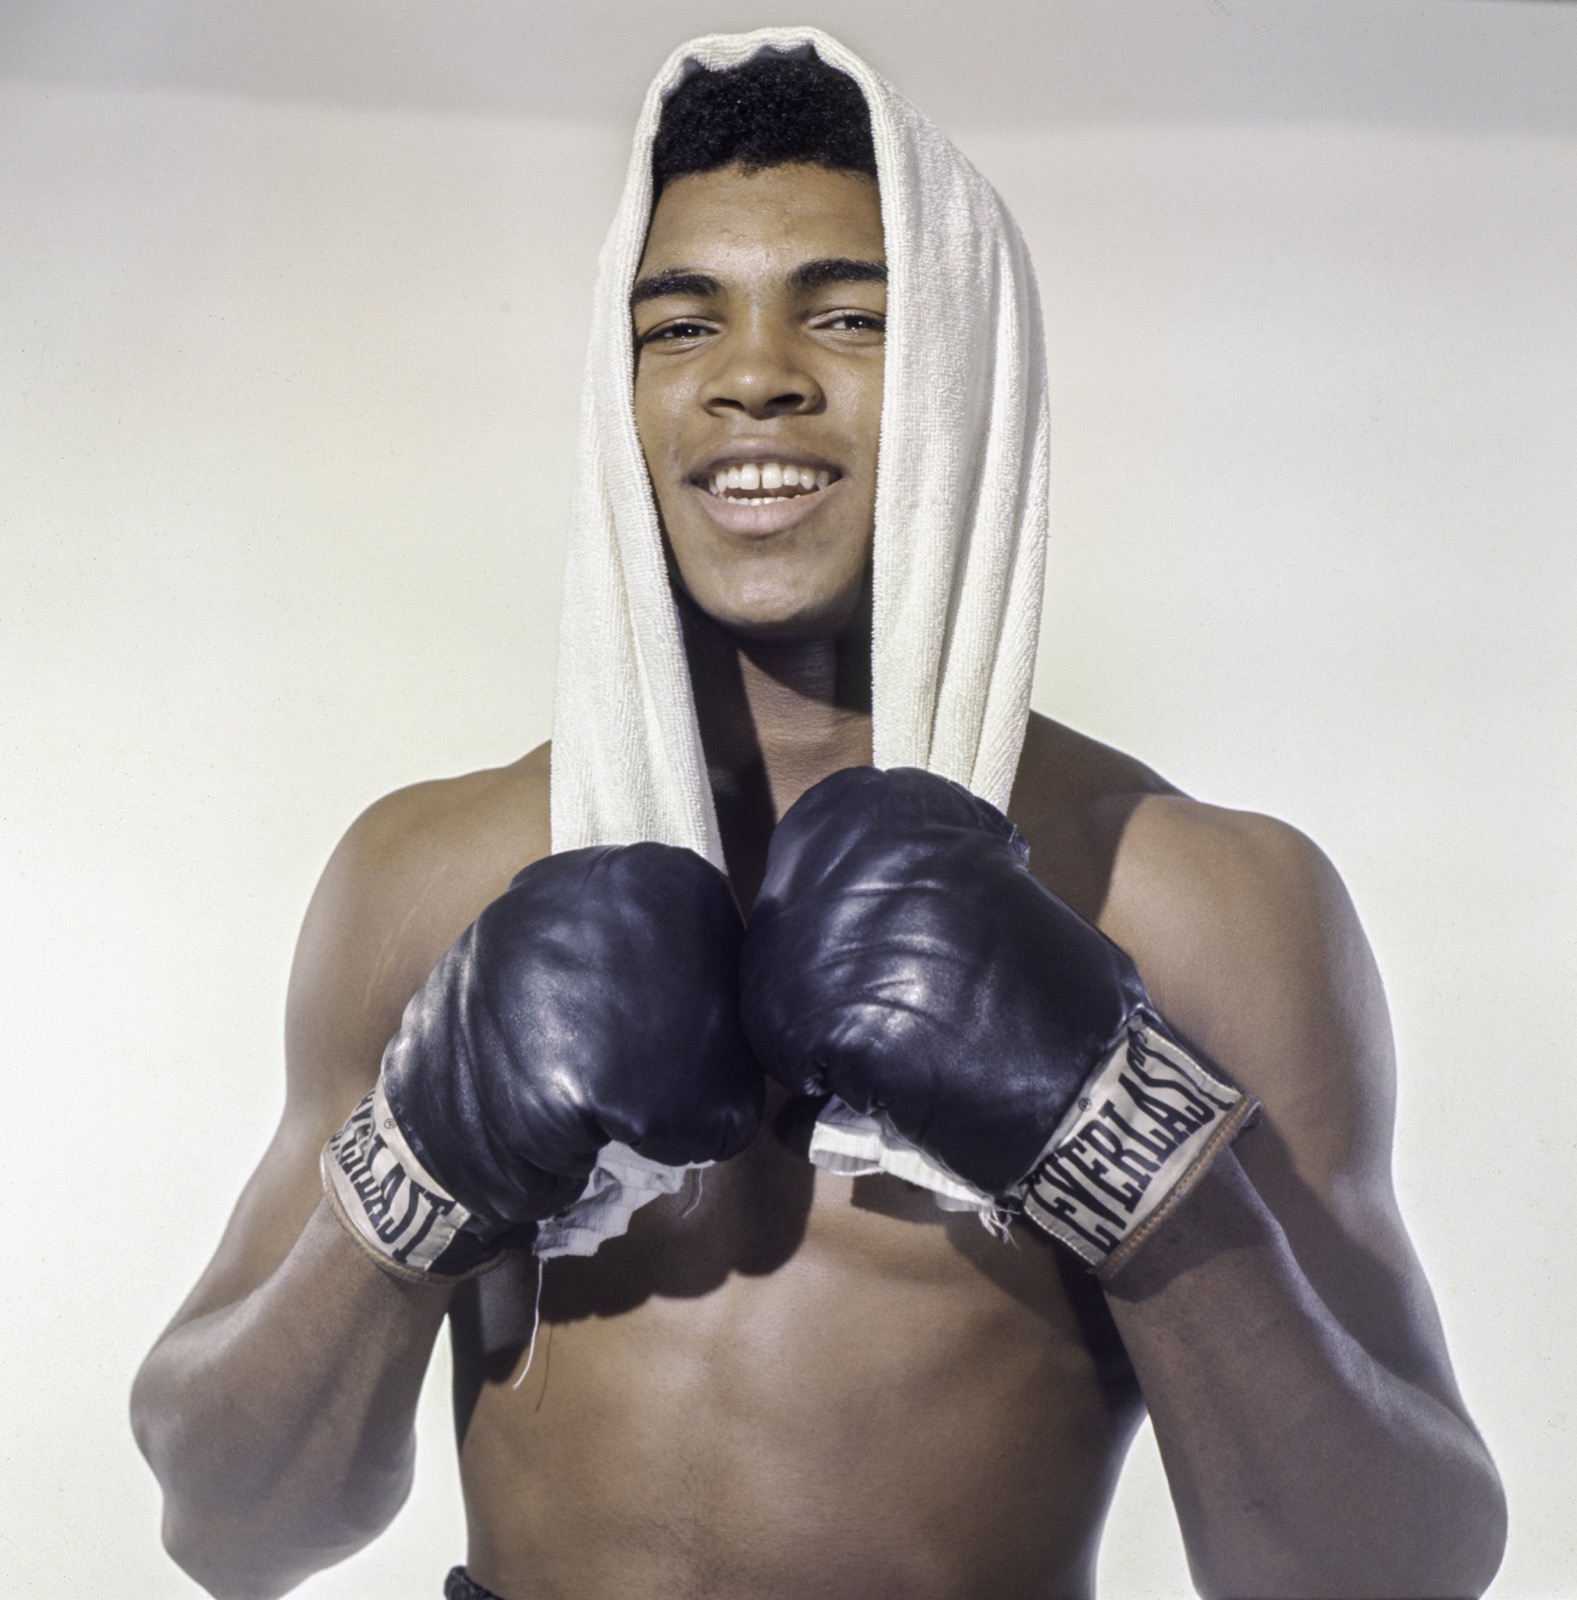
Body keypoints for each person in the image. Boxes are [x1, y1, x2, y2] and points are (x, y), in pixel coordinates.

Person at [130, 28, 1507, 1600]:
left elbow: (1396, 1569)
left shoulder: (1191, 899)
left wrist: (1128, 1159)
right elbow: (227, 1526)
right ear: (619, 390)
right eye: (677, 324)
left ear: (962, 366)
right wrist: (415, 1177)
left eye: (846, 314)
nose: (753, 375)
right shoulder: (429, 873)